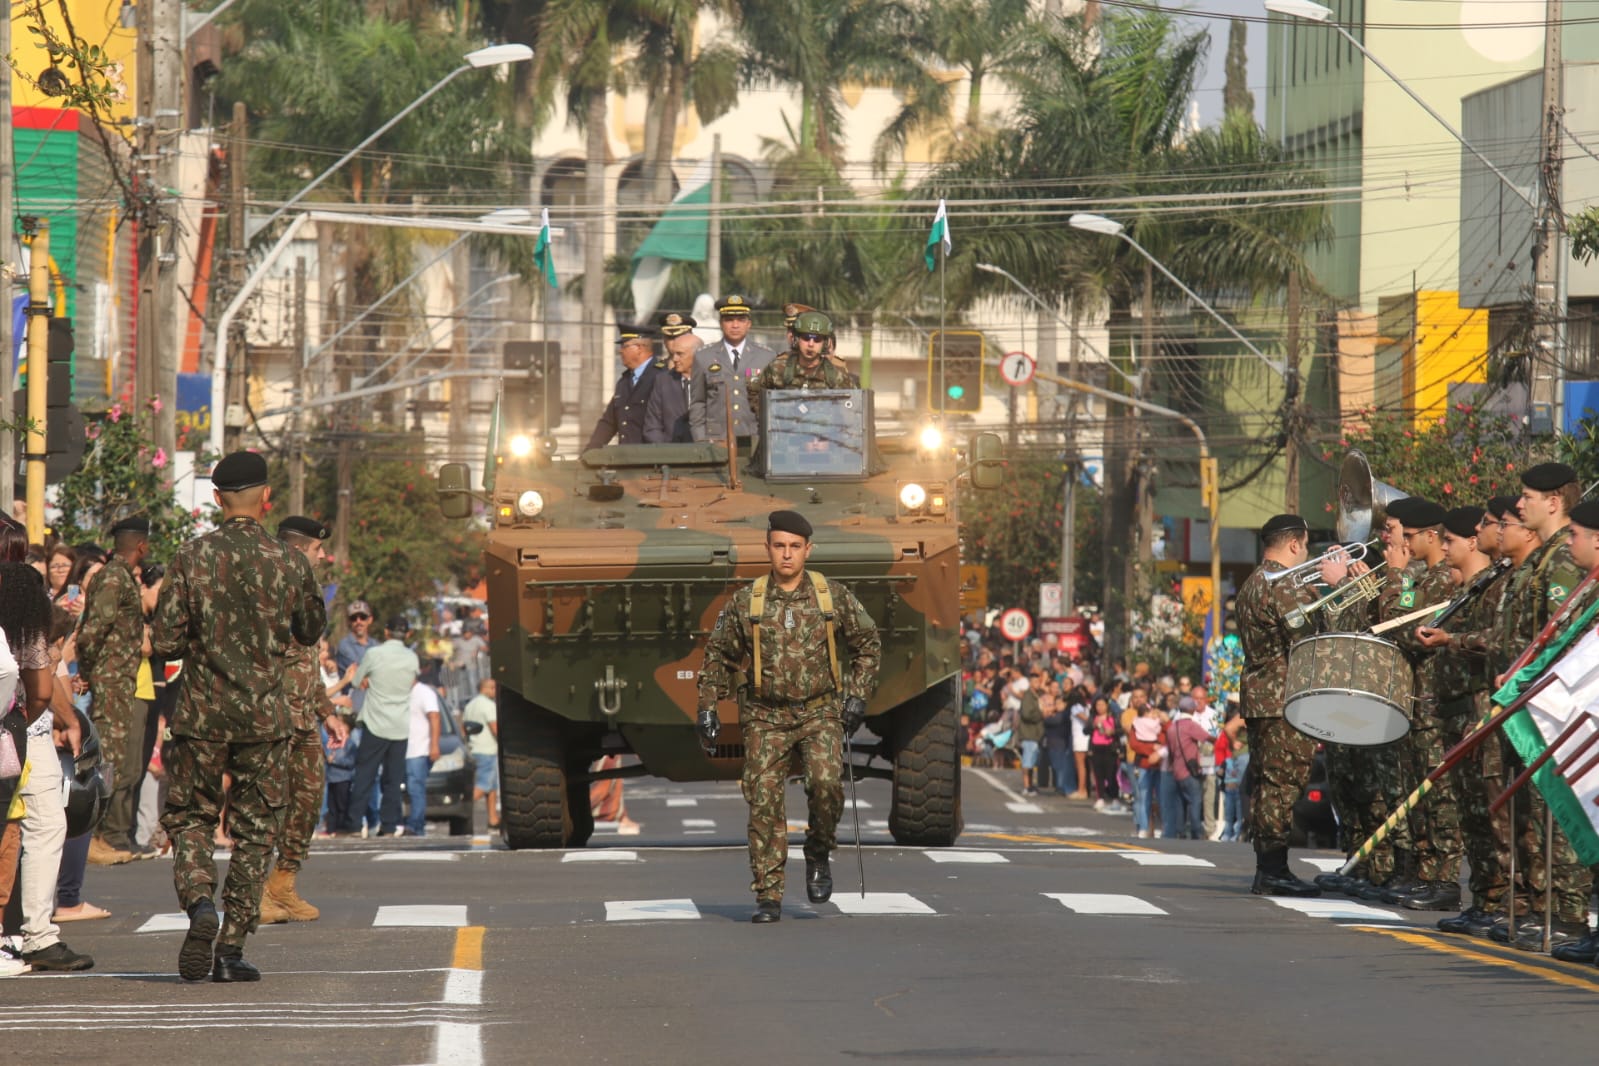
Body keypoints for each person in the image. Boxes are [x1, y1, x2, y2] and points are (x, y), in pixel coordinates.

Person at [151, 451, 326, 982]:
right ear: (265, 498)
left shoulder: (190, 556)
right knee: (255, 831)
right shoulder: (289, 560)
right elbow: (310, 629)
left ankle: (200, 901)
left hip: (201, 715)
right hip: (265, 719)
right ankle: (231, 947)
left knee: (191, 818)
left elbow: (165, 640)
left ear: (216, 498)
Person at [696, 509, 881, 923]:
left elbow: (868, 643)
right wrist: (707, 706)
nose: (786, 555)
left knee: (827, 783)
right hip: (764, 716)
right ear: (767, 548)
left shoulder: (831, 595)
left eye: (795, 547)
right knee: (763, 802)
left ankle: (818, 851)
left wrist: (858, 697)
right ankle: (768, 893)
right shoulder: (748, 600)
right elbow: (718, 656)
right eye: (779, 546)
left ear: (808, 550)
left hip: (820, 712)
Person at [1235, 513, 1347, 897]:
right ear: (1295, 544)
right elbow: (1312, 637)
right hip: (1283, 697)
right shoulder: (1285, 584)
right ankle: (1273, 869)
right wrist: (1340, 587)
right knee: (1282, 787)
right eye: (1306, 546)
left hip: (1260, 694)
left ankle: (1269, 866)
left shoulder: (1253, 582)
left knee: (1269, 785)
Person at [259, 517, 349, 925]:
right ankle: (254, 891)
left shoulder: (306, 591)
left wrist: (326, 713)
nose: (323, 555)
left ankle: (283, 884)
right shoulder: (269, 589)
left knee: (309, 801)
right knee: (266, 808)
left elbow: (305, 663)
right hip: (272, 718)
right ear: (298, 550)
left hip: (303, 718)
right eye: (317, 549)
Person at [74, 516, 153, 865]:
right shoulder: (113, 577)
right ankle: (90, 837)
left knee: (116, 762)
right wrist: (92, 674)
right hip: (111, 683)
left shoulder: (120, 577)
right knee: (105, 761)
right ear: (141, 546)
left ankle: (102, 835)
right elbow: (91, 633)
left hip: (121, 682)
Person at [343, 616, 420, 837]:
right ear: (406, 634)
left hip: (376, 723)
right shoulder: (412, 658)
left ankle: (355, 824)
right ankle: (388, 825)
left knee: (364, 776)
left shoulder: (374, 654)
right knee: (393, 780)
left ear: (386, 632)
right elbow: (412, 682)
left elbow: (356, 681)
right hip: (400, 725)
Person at [746, 310, 859, 421]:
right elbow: (754, 391)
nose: (810, 344)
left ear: (825, 343)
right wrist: (768, 418)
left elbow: (854, 407)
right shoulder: (777, 369)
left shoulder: (836, 375)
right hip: (784, 436)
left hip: (824, 438)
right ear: (796, 339)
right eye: (806, 338)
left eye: (817, 339)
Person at [705, 294, 775, 443]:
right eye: (729, 320)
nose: (735, 325)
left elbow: (773, 402)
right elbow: (698, 403)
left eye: (741, 320)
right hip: (716, 440)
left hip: (755, 437)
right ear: (721, 323)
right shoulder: (703, 357)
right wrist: (700, 438)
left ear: (749, 323)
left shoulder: (767, 357)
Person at [585, 325, 665, 450]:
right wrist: (590, 451)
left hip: (651, 459)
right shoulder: (624, 381)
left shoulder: (661, 376)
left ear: (639, 348)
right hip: (625, 458)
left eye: (624, 346)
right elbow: (608, 422)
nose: (620, 351)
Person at [643, 313, 703, 444]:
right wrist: (668, 453)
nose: (673, 342)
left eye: (680, 354)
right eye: (669, 337)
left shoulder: (713, 380)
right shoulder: (661, 380)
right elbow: (652, 426)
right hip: (671, 457)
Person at [403, 678, 442, 837]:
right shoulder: (399, 691)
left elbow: (435, 718)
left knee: (415, 788)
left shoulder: (425, 692)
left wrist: (434, 745)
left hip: (419, 749)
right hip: (401, 749)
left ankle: (415, 826)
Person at [461, 679, 499, 831]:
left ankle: (493, 819)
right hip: (487, 749)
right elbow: (495, 728)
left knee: (492, 787)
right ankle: (464, 805)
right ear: (488, 688)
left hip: (474, 748)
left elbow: (463, 728)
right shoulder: (489, 705)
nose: (496, 691)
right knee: (484, 785)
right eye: (494, 688)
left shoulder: (471, 704)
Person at [1087, 697, 1124, 813]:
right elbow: (1086, 730)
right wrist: (1093, 726)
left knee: (1111, 774)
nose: (1100, 708)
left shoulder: (1113, 717)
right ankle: (1100, 798)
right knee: (1098, 775)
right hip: (1096, 747)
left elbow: (1121, 730)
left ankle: (1115, 798)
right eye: (1098, 705)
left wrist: (1112, 731)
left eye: (1102, 705)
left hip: (1110, 748)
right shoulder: (1093, 717)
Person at [1013, 678, 1044, 796]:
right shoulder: (1028, 696)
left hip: (1035, 733)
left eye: (1038, 681)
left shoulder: (1036, 695)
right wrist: (1041, 714)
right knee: (1027, 761)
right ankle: (1026, 786)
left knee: (1032, 761)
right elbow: (1026, 714)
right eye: (1035, 681)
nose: (1038, 684)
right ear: (1030, 683)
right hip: (1029, 733)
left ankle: (1030, 784)